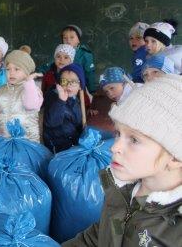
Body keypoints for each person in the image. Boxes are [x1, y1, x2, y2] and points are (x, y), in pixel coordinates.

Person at [63, 75, 182, 247]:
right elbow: (99, 237)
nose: (114, 147)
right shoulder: (119, 191)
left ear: (175, 158)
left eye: (134, 140)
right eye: (118, 133)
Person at [0, 50, 43, 141]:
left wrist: (29, 82)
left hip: (27, 142)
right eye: (8, 69)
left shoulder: (33, 90)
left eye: (17, 69)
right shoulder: (0, 92)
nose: (11, 73)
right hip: (4, 142)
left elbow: (30, 105)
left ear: (26, 72)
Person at [43, 63, 85, 153]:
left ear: (80, 86)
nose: (68, 85)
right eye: (64, 81)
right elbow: (51, 122)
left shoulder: (75, 99)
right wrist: (61, 101)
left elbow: (77, 122)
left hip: (72, 141)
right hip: (56, 145)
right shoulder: (53, 97)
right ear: (59, 84)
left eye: (73, 82)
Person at [61, 25, 97, 93]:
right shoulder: (60, 52)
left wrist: (93, 91)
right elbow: (50, 64)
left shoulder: (85, 54)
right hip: (63, 87)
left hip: (78, 89)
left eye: (72, 37)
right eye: (65, 38)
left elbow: (90, 75)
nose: (68, 41)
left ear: (78, 40)